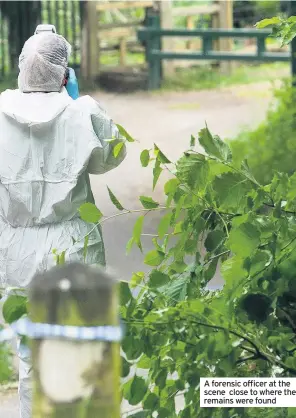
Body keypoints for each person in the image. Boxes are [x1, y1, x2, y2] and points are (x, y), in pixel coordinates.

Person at [0, 32, 126, 417]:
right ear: (63, 71)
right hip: (73, 243)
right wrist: (75, 101)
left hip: (17, 247)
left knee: (30, 353)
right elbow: (112, 157)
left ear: (22, 67)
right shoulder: (81, 112)